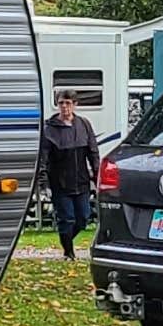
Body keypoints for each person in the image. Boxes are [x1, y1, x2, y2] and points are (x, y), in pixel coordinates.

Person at [40, 95, 102, 260]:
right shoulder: (49, 129)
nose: (64, 107)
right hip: (60, 182)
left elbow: (93, 152)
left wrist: (97, 175)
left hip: (81, 181)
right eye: (61, 103)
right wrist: (44, 184)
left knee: (83, 218)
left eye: (68, 103)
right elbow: (43, 159)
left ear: (75, 104)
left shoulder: (84, 124)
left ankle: (66, 240)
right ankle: (69, 252)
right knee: (67, 219)